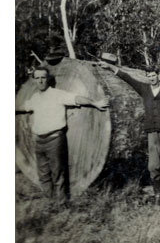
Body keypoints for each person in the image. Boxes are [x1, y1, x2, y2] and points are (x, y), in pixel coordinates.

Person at [16, 66, 109, 209]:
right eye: (37, 78)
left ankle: (61, 205)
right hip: (39, 141)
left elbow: (76, 98)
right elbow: (23, 107)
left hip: (54, 139)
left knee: (58, 173)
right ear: (34, 80)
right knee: (43, 175)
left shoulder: (57, 94)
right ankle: (50, 203)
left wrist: (94, 103)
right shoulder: (34, 98)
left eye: (43, 77)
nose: (40, 81)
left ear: (47, 79)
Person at [99, 62, 160, 205]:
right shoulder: (144, 89)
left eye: (153, 75)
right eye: (149, 76)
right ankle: (158, 196)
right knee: (153, 166)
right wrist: (110, 67)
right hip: (152, 133)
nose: (151, 78)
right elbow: (127, 78)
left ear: (158, 75)